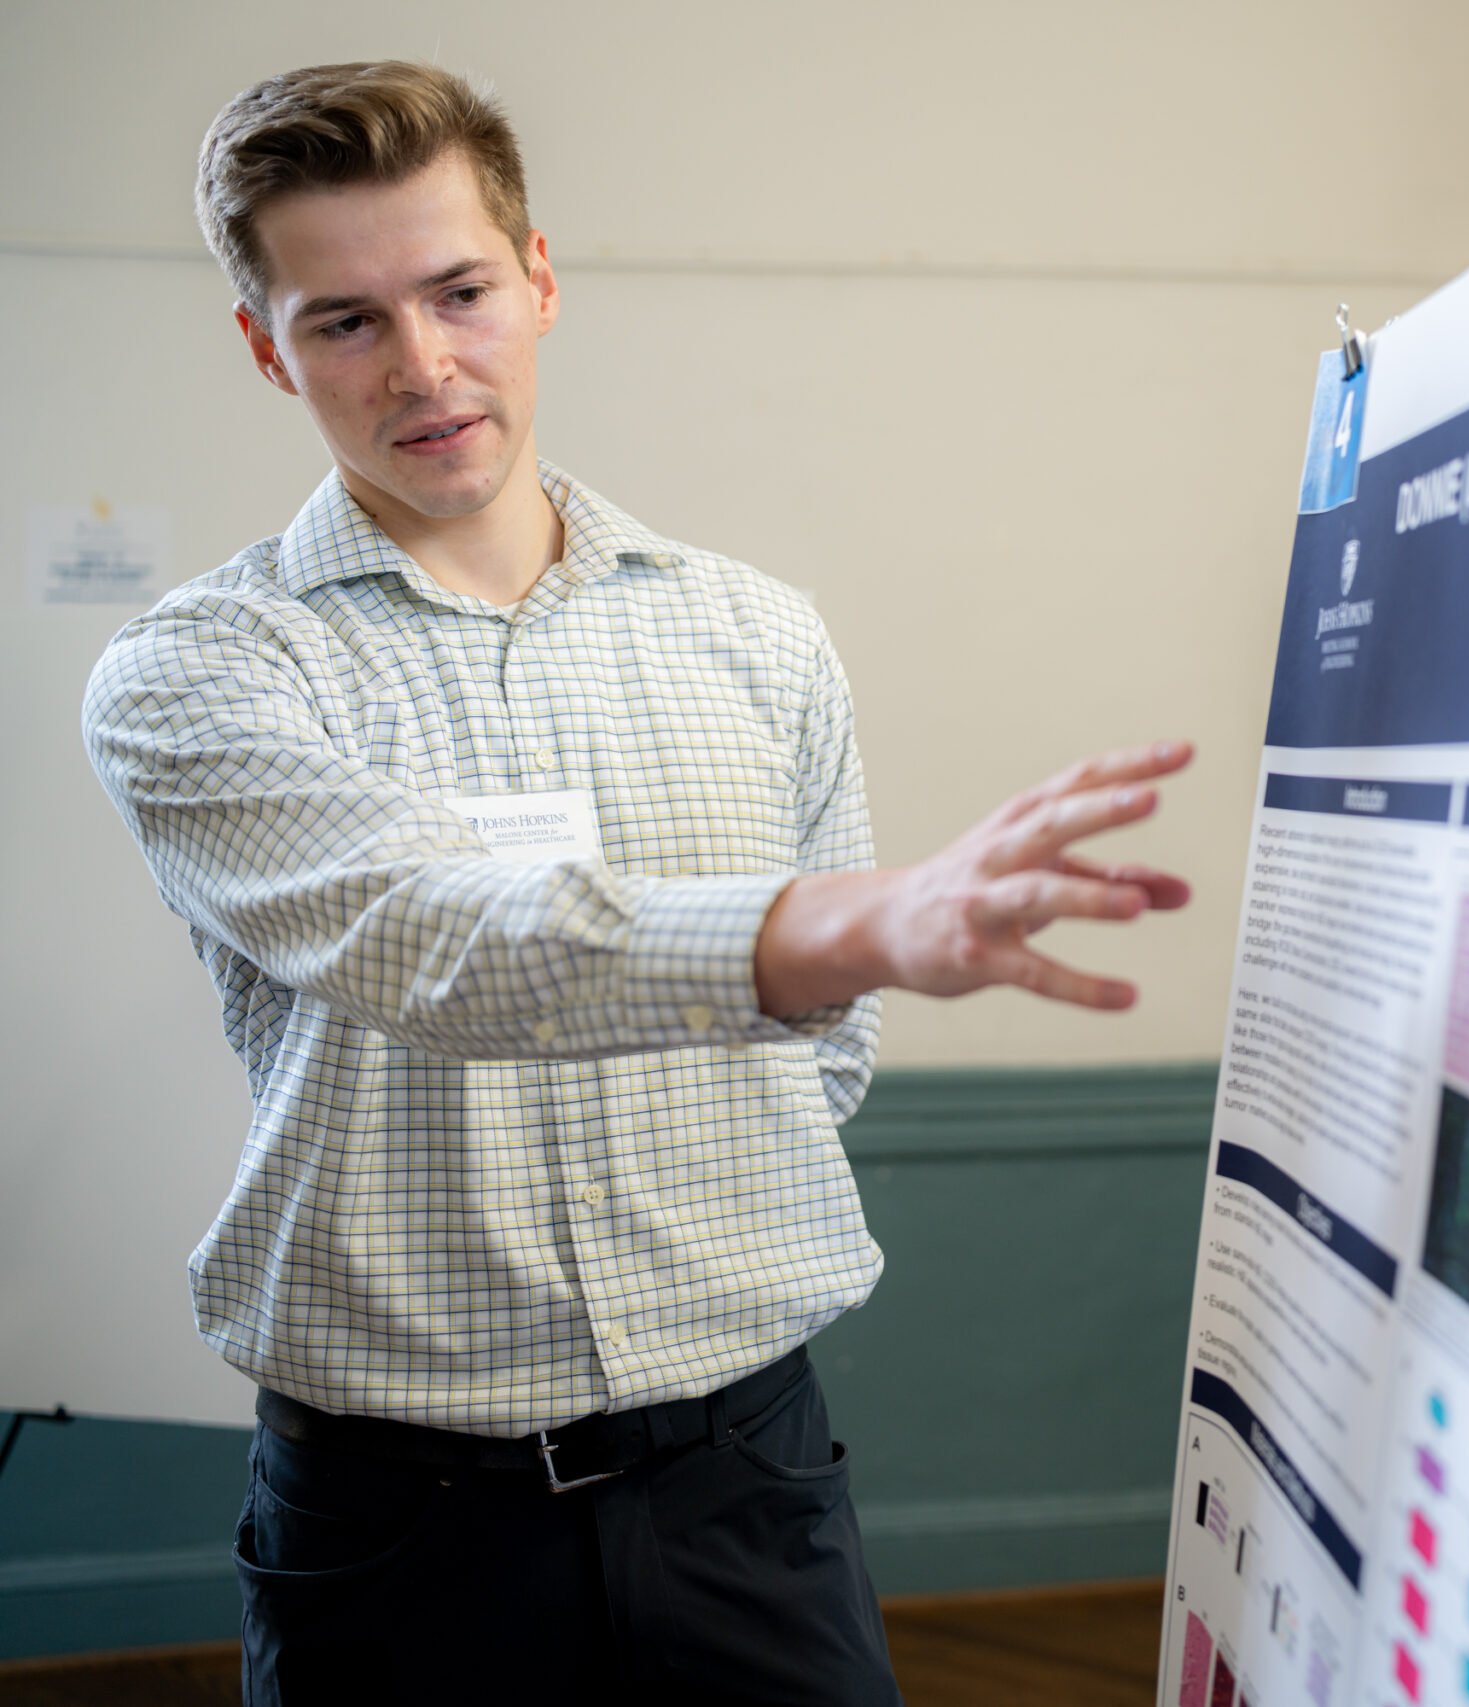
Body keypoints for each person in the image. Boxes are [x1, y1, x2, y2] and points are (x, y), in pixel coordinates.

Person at [80, 60, 1192, 1706]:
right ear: (267, 345)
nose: (425, 366)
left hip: (748, 1476)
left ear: (539, 276)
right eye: (346, 321)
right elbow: (437, 937)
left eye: (460, 291)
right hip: (394, 1528)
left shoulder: (756, 634)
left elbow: (829, 1053)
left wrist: (831, 975)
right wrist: (853, 924)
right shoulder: (202, 672)